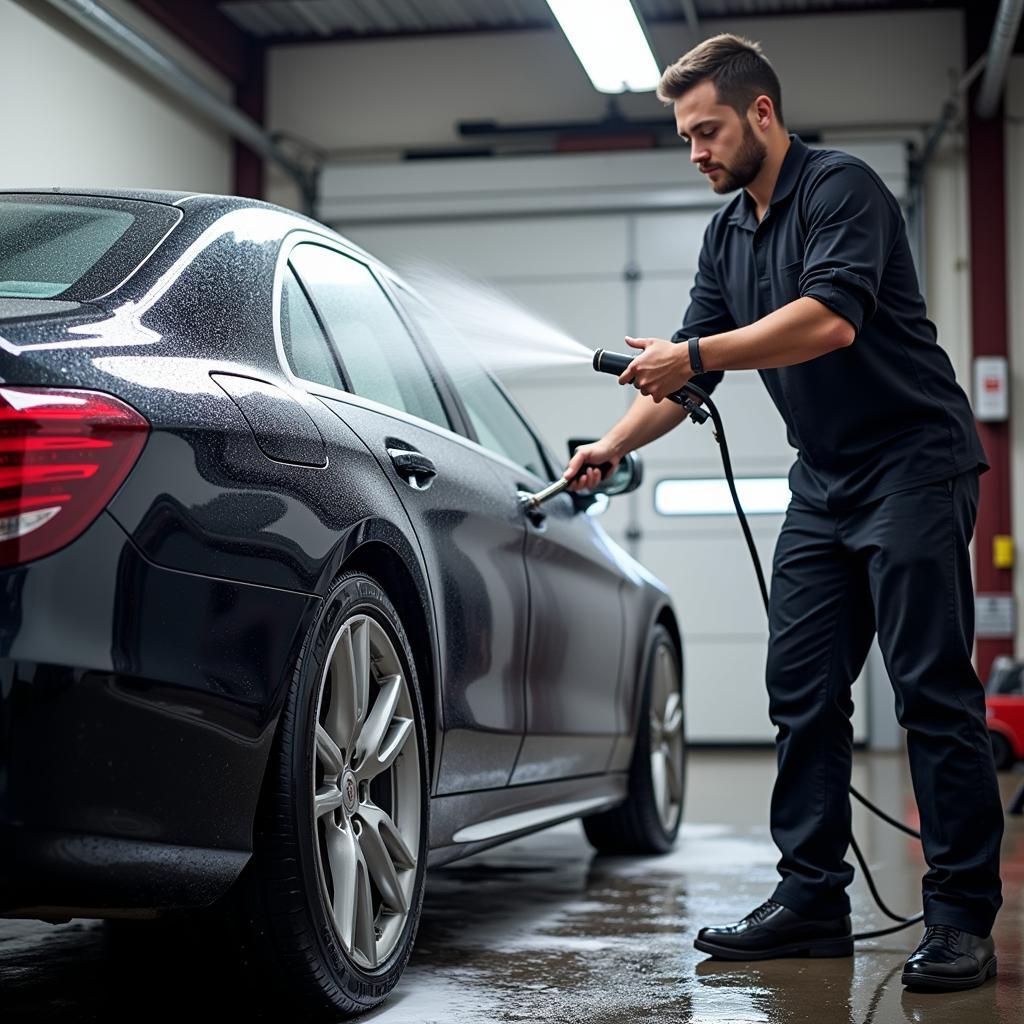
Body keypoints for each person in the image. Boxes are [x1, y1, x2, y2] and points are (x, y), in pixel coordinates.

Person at [564, 33, 1003, 993]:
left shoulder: (842, 190)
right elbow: (682, 370)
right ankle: (811, 901)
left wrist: (700, 356)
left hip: (914, 464)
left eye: (708, 130)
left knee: (930, 689)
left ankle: (962, 917)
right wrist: (611, 444)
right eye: (686, 136)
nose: (696, 153)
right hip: (827, 482)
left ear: (762, 112)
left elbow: (828, 320)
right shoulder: (729, 236)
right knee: (801, 693)